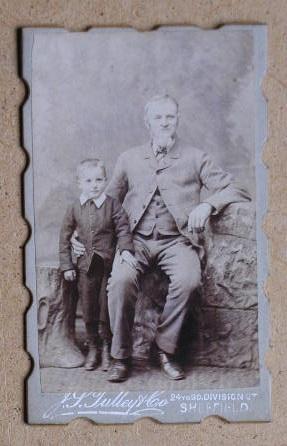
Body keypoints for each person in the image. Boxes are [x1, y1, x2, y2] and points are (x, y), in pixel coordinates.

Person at [72, 94, 250, 382]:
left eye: (170, 116)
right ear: (148, 122)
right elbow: (107, 202)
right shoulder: (129, 158)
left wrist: (208, 205)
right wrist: (80, 235)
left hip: (176, 241)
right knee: (120, 281)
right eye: (158, 117)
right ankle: (121, 355)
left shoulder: (196, 157)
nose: (165, 122)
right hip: (134, 241)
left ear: (177, 119)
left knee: (189, 280)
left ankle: (164, 348)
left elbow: (237, 188)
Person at [59, 158, 136, 371]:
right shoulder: (74, 208)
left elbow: (123, 229)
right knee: (88, 307)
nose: (95, 185)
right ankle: (92, 346)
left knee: (105, 308)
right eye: (89, 180)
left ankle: (106, 346)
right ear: (79, 183)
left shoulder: (112, 205)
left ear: (105, 180)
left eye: (99, 180)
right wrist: (67, 266)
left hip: (106, 267)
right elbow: (64, 238)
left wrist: (127, 251)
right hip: (85, 268)